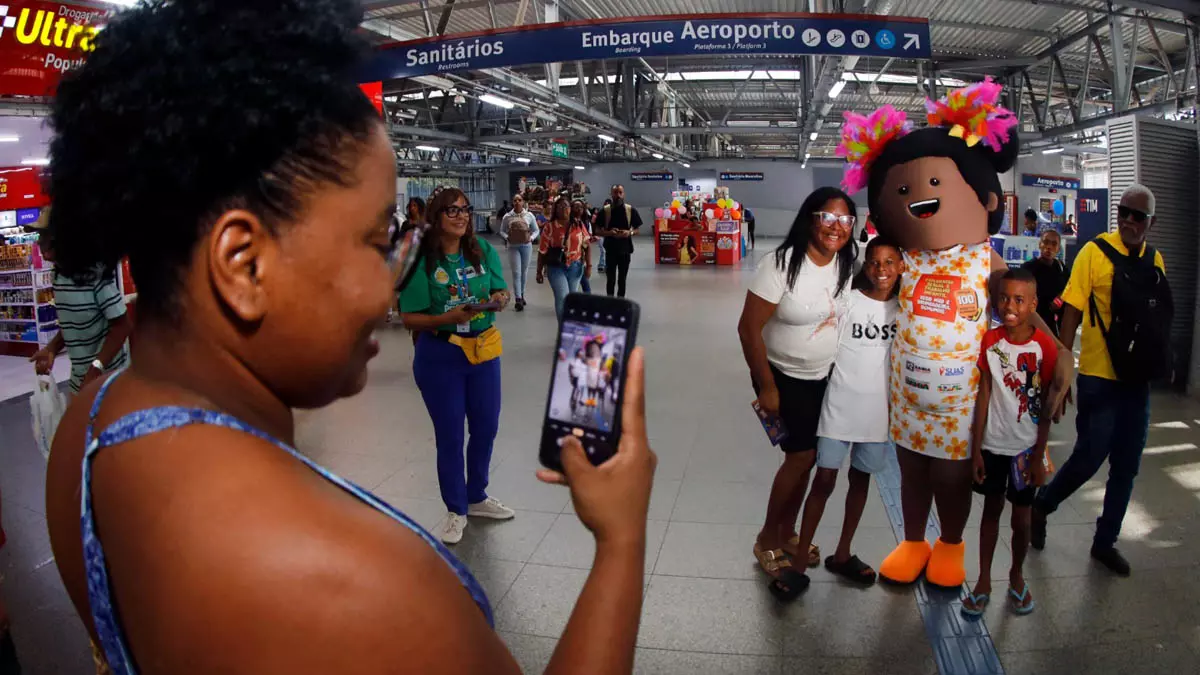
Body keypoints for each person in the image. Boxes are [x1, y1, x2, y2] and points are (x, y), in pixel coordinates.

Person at [43, 3, 656, 674]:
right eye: (375, 240)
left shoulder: (89, 423)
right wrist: (621, 540)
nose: (389, 283)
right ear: (243, 265)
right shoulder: (355, 587)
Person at [838, 83, 1071, 590]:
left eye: (936, 182)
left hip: (962, 397)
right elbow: (863, 293)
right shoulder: (904, 256)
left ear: (986, 198)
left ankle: (950, 544)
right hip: (907, 395)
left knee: (951, 475)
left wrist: (1058, 353)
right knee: (910, 472)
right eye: (902, 192)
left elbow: (1022, 309)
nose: (919, 199)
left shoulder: (982, 258)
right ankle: (915, 540)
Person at [1032, 184, 1168, 577]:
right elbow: (1070, 314)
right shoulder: (1093, 252)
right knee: (1090, 457)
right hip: (1097, 377)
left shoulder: (1156, 259)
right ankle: (1044, 504)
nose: (1128, 220)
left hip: (1136, 381)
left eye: (1137, 216)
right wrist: (1064, 369)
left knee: (1127, 465)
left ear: (1150, 223)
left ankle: (1104, 542)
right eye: (1124, 211)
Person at [737, 186, 857, 601]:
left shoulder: (846, 263)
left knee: (807, 461)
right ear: (811, 218)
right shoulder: (781, 264)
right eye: (828, 217)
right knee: (801, 458)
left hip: (825, 376)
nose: (836, 227)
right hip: (783, 376)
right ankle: (766, 537)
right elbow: (747, 328)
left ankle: (788, 533)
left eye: (845, 220)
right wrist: (766, 385)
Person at [401, 189, 514, 544]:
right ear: (436, 216)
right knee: (450, 435)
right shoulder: (422, 260)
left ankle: (476, 496)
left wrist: (500, 298)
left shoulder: (482, 251)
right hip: (441, 357)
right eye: (452, 210)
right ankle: (455, 508)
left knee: (486, 427)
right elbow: (409, 317)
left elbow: (499, 289)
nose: (462, 216)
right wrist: (447, 317)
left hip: (482, 353)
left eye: (465, 210)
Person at [792, 235, 901, 589]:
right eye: (874, 262)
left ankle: (843, 553)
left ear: (902, 267)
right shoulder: (849, 302)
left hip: (877, 415)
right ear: (864, 266)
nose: (881, 270)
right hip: (838, 407)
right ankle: (798, 562)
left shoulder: (906, 310)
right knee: (824, 480)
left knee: (861, 480)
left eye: (889, 263)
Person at [962, 268, 1056, 617]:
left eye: (1019, 299)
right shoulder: (990, 341)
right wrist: (976, 450)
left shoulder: (1044, 346)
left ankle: (1016, 576)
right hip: (992, 446)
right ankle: (983, 580)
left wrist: (1038, 454)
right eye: (1004, 298)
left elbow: (1046, 404)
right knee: (990, 512)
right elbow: (984, 393)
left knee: (1022, 520)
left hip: (1026, 450)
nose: (1010, 305)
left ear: (1033, 304)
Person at [29, 211, 133, 395]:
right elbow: (73, 323)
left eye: (43, 236)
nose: (39, 243)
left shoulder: (95, 275)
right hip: (80, 381)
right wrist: (52, 349)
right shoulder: (58, 276)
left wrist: (96, 367)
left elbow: (122, 325)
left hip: (110, 383)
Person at [537, 196, 590, 319]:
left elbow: (587, 245)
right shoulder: (549, 227)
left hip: (576, 267)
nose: (563, 209)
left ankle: (570, 327)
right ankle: (563, 328)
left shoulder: (578, 224)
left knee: (572, 299)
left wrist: (589, 266)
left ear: (570, 209)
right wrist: (539, 271)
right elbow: (542, 251)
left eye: (565, 206)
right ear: (555, 210)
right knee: (562, 297)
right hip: (556, 267)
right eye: (559, 207)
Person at [596, 185, 642, 298]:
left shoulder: (630, 210)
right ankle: (610, 300)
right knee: (610, 279)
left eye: (620, 192)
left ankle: (621, 301)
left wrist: (629, 233)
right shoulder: (605, 211)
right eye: (615, 192)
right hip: (610, 250)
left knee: (622, 279)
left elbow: (637, 230)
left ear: (624, 194)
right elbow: (597, 231)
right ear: (611, 194)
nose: (618, 195)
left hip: (625, 250)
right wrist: (610, 233)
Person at [1020, 230, 1068, 337]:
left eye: (1054, 244)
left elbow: (1070, 288)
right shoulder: (1028, 268)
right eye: (1045, 242)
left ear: (1058, 248)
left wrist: (1061, 298)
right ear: (1040, 244)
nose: (1049, 247)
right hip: (1032, 325)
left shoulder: (1061, 269)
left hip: (1055, 327)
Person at [500, 193, 539, 312]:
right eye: (515, 200)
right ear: (512, 202)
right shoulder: (507, 216)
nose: (517, 202)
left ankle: (522, 294)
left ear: (523, 202)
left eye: (519, 200)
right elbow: (502, 231)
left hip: (526, 246)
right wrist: (507, 238)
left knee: (524, 272)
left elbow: (536, 230)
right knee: (516, 273)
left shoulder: (529, 215)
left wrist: (531, 238)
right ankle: (517, 299)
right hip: (513, 247)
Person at [572, 199, 594, 294]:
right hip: (569, 259)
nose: (579, 209)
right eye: (576, 207)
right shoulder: (568, 222)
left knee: (584, 282)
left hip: (580, 258)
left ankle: (588, 301)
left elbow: (587, 241)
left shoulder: (585, 222)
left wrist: (589, 265)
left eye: (581, 207)